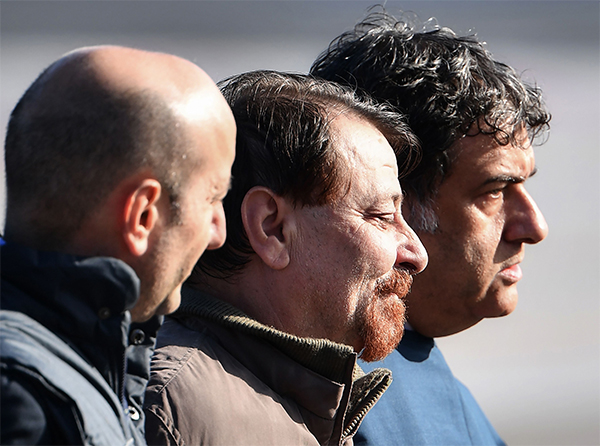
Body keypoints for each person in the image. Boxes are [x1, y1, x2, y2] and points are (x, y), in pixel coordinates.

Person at [143, 70, 428, 446]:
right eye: (382, 216)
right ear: (272, 228)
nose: (416, 253)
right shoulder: (173, 412)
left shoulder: (308, 401)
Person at [311, 10, 550, 446]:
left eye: (523, 185)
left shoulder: (427, 381)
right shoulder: (306, 396)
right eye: (495, 191)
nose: (534, 227)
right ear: (390, 199)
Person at [0, 45, 236, 445]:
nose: (218, 233)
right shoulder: (25, 403)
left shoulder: (80, 368)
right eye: (212, 198)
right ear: (142, 215)